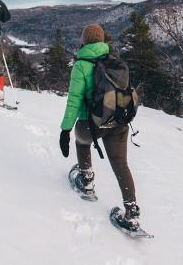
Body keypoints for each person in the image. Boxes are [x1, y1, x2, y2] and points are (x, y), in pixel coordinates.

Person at [59, 24, 141, 231]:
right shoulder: (115, 62)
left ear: (84, 40)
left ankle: (86, 181)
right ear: (102, 40)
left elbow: (74, 100)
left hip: (93, 124)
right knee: (121, 165)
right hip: (119, 122)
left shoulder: (81, 65)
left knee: (81, 141)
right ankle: (131, 213)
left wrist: (65, 129)